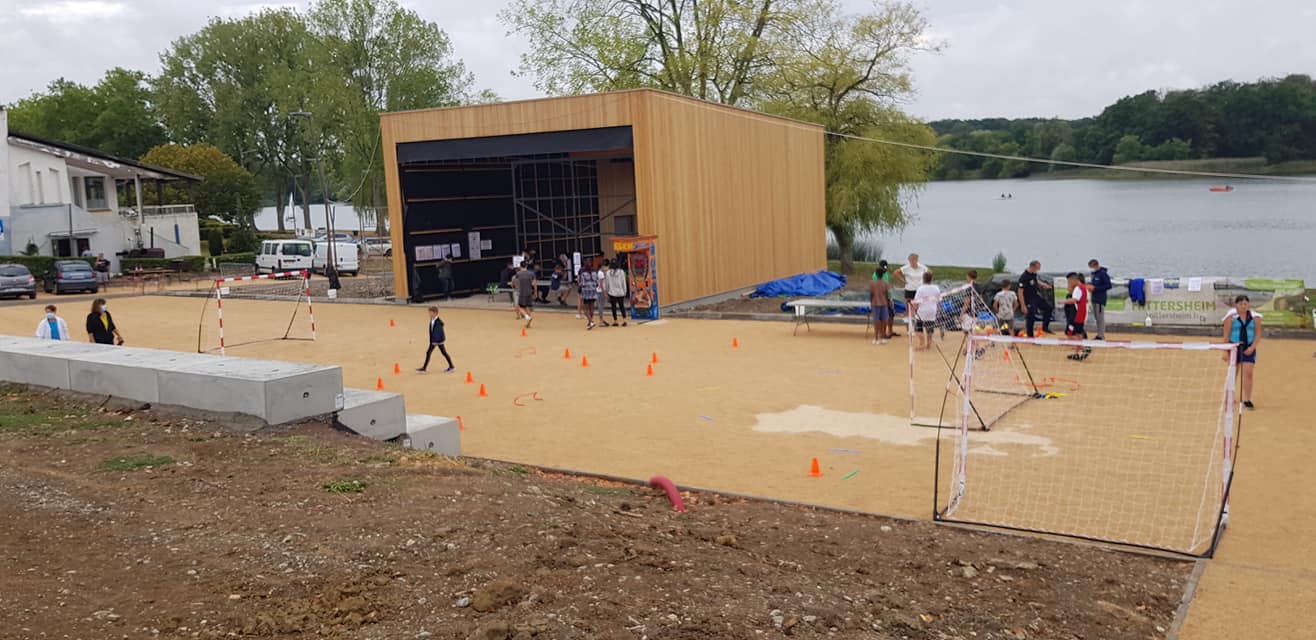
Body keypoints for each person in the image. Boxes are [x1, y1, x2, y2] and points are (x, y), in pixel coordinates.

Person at [1224, 295, 1260, 409]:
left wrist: (1252, 347)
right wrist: (1225, 351)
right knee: (1233, 373)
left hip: (1248, 347)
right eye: (1241, 304)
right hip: (1234, 347)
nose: (1243, 306)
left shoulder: (1255, 318)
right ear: (1236, 305)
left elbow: (1258, 334)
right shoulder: (1230, 317)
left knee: (1248, 373)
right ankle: (1229, 396)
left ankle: (1247, 399)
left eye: (1245, 304)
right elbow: (1226, 335)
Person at [1018, 260, 1054, 336]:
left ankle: (1045, 327)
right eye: (1037, 268)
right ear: (1032, 267)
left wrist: (1043, 284)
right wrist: (1023, 305)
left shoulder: (1033, 274)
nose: (1038, 270)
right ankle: (1030, 336)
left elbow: (1035, 281)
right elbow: (1020, 292)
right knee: (1031, 317)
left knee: (1048, 308)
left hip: (1035, 296)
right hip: (1028, 299)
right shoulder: (1024, 277)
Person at [1061, 272, 1091, 361]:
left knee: (1069, 333)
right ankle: (1077, 353)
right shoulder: (1083, 288)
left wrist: (1063, 302)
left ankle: (1084, 348)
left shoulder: (1078, 289)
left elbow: (1074, 300)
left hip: (1076, 315)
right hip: (1081, 314)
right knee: (1079, 333)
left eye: (1069, 281)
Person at [416, 306, 455, 373]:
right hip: (435, 340)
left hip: (437, 340)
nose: (429, 314)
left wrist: (434, 341)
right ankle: (451, 366)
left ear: (435, 313)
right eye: (429, 313)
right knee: (443, 353)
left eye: (431, 313)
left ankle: (424, 368)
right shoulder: (432, 320)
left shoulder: (438, 322)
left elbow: (437, 332)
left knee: (430, 352)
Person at [911, 272, 940, 351]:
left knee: (918, 328)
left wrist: (914, 310)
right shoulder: (936, 288)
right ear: (931, 279)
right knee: (930, 329)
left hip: (922, 311)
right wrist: (938, 310)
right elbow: (939, 301)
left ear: (923, 279)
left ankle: (922, 342)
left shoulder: (920, 288)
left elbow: (916, 301)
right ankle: (929, 344)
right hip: (932, 310)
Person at [1088, 259, 1112, 340]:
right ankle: (1099, 334)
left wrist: (1095, 288)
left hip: (1100, 299)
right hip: (1094, 298)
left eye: (1092, 267)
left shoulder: (1103, 274)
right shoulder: (1094, 275)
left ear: (1096, 265)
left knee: (1100, 318)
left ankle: (1101, 335)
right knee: (1097, 317)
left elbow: (1108, 285)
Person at [868, 267, 893, 344]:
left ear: (876, 274)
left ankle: (876, 338)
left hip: (875, 303)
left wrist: (871, 302)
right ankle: (882, 336)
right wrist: (889, 302)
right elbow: (887, 295)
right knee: (884, 320)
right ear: (883, 274)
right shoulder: (886, 283)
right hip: (884, 303)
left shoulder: (872, 283)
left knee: (876, 320)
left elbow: (871, 294)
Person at [602, 259, 629, 327]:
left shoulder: (608, 273)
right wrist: (625, 290)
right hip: (620, 292)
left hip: (612, 292)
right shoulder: (621, 272)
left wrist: (607, 291)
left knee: (613, 307)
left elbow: (607, 283)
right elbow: (623, 282)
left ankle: (615, 321)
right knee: (621, 306)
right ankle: (624, 320)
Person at [577, 261, 601, 329]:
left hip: (586, 292)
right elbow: (597, 282)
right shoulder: (594, 273)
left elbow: (583, 283)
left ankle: (591, 321)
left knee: (586, 309)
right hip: (593, 291)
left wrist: (579, 285)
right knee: (592, 307)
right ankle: (590, 322)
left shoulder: (583, 273)